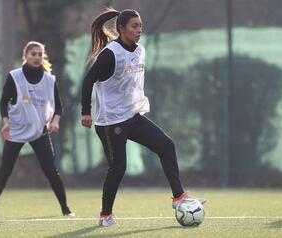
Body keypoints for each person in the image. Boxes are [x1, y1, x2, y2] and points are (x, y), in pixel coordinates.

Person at [81, 8, 206, 227]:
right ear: (121, 29)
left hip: (132, 116)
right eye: (134, 26)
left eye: (140, 26)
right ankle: (105, 216)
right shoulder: (110, 54)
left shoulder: (140, 51)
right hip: (111, 122)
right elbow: (87, 80)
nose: (139, 30)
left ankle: (179, 197)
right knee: (118, 167)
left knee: (166, 145)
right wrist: (85, 112)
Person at [0, 41, 74, 217]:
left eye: (40, 54)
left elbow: (59, 107)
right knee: (5, 171)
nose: (37, 57)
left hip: (40, 131)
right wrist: (6, 122)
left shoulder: (49, 79)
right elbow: (3, 102)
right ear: (25, 56)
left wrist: (55, 121)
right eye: (33, 54)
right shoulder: (15, 77)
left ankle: (66, 209)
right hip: (16, 130)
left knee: (51, 171)